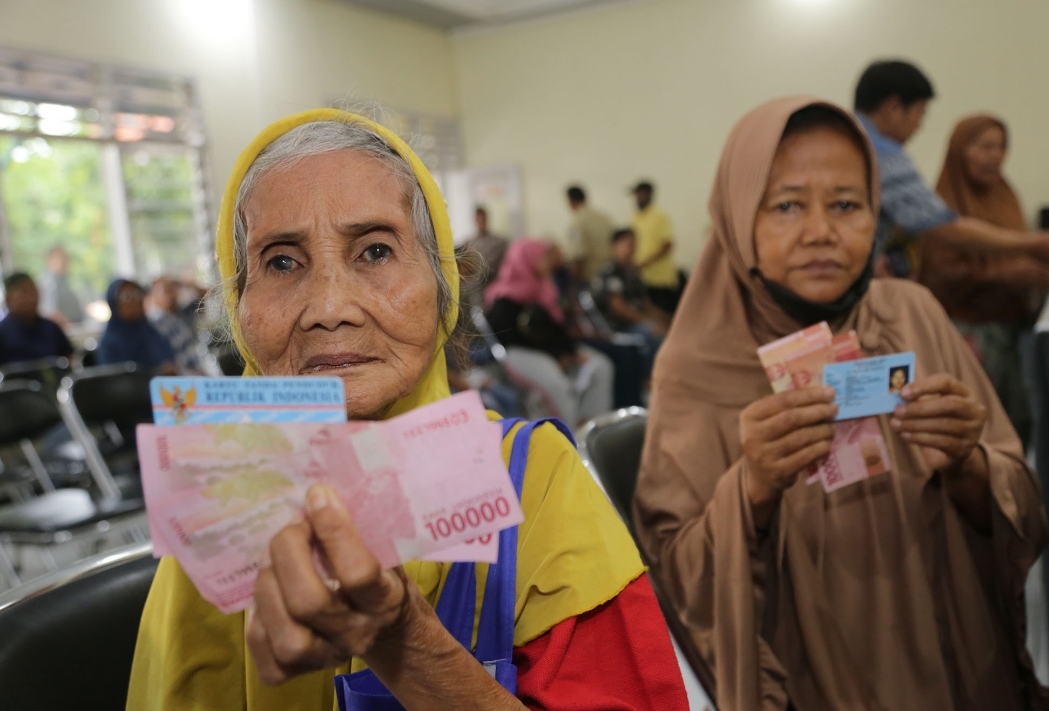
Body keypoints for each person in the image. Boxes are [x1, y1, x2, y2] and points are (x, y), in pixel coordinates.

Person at [127, 109, 689, 711]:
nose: (330, 306)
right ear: (238, 309)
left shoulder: (535, 484)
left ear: (442, 285)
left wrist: (407, 646)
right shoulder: (207, 519)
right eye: (282, 262)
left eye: (374, 251)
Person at [633, 97, 1049, 710]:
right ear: (736, 216)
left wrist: (968, 465)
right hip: (805, 672)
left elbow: (1023, 502)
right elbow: (676, 583)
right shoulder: (701, 361)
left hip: (949, 654)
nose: (821, 232)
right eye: (786, 205)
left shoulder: (911, 314)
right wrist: (752, 489)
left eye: (846, 204)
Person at [853, 60, 1049, 278]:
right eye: (920, 113)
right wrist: (1030, 246)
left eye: (1002, 147)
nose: (919, 127)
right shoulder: (882, 154)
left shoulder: (842, 137)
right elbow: (941, 229)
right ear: (894, 108)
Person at [919, 115, 1049, 449]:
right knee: (980, 427)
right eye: (984, 146)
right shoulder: (940, 207)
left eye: (1000, 146)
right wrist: (1000, 274)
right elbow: (937, 274)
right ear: (960, 152)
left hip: (1014, 326)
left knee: (1021, 421)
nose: (994, 155)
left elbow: (1017, 246)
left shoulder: (1004, 194)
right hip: (970, 331)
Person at [484, 239, 615, 426]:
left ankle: (591, 427)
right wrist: (557, 355)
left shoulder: (544, 290)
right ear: (527, 259)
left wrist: (570, 353)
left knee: (601, 365)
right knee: (556, 383)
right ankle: (568, 436)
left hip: (553, 353)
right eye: (542, 257)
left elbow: (556, 329)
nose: (547, 262)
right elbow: (511, 338)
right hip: (520, 354)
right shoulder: (505, 298)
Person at [592, 227, 666, 375]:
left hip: (637, 322)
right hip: (618, 327)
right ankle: (648, 380)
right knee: (652, 333)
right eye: (629, 244)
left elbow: (646, 303)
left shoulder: (632, 272)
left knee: (668, 328)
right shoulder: (611, 271)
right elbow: (619, 309)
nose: (633, 248)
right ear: (615, 246)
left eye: (635, 243)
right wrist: (648, 322)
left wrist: (663, 319)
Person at [98, 279, 177, 373]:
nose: (135, 301)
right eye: (127, 297)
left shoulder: (151, 332)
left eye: (137, 294)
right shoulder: (110, 343)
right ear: (114, 303)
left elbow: (169, 360)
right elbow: (114, 379)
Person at [630, 181, 681, 314]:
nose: (636, 198)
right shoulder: (636, 217)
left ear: (648, 194)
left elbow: (667, 245)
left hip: (660, 279)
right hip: (643, 278)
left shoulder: (660, 216)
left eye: (639, 194)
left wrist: (645, 262)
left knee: (664, 315)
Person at [0, 272, 73, 366]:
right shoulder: (2, 334)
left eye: (34, 291)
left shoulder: (52, 328)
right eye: (24, 293)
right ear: (9, 299)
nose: (32, 298)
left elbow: (69, 360)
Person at [146, 276, 211, 375]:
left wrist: (181, 282)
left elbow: (206, 292)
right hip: (179, 374)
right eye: (166, 292)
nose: (171, 296)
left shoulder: (184, 313)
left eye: (173, 291)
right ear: (155, 296)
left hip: (200, 366)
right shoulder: (153, 324)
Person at [565, 185, 615, 283]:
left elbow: (577, 256)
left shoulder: (576, 222)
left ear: (570, 201)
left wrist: (575, 284)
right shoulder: (605, 219)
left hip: (589, 278)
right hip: (609, 276)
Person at [463, 206, 509, 294]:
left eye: (483, 219)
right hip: (472, 283)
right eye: (479, 219)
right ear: (475, 220)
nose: (481, 222)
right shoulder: (469, 243)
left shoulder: (498, 242)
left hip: (491, 281)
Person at [38, 245, 84, 328]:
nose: (64, 262)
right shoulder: (43, 286)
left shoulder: (68, 286)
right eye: (60, 258)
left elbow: (79, 315)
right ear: (49, 260)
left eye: (66, 259)